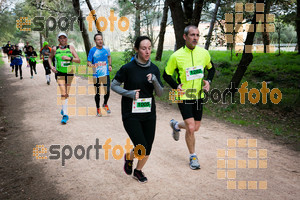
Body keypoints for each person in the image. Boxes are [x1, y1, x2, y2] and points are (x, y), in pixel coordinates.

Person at [111, 36, 164, 183]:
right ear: (136, 49)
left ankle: (138, 170)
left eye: (149, 48)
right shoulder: (128, 68)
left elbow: (160, 93)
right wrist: (130, 93)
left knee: (147, 148)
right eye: (143, 48)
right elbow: (113, 85)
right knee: (141, 146)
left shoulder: (154, 69)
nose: (147, 52)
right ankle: (130, 157)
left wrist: (154, 80)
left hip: (149, 113)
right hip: (131, 113)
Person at [163, 25, 215, 170]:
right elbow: (166, 74)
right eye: (192, 35)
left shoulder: (204, 53)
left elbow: (211, 69)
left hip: (198, 95)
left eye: (197, 35)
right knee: (191, 128)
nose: (195, 38)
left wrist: (208, 81)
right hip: (182, 94)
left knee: (196, 127)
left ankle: (175, 125)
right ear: (185, 37)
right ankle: (193, 156)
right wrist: (175, 86)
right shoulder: (176, 55)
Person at [48, 32, 81, 124]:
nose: (62, 39)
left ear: (66, 39)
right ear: (58, 39)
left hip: (70, 72)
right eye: (60, 38)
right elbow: (49, 58)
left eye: (64, 38)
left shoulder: (71, 48)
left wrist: (69, 58)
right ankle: (65, 115)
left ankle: (64, 108)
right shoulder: (55, 49)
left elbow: (78, 60)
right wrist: (51, 67)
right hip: (60, 73)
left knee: (66, 93)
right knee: (63, 92)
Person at [87, 33, 112, 116]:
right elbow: (88, 62)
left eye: (101, 39)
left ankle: (105, 104)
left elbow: (109, 57)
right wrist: (92, 65)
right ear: (95, 41)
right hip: (96, 75)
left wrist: (110, 65)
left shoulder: (106, 49)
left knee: (107, 91)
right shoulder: (92, 50)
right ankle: (98, 108)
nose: (100, 41)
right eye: (98, 39)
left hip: (106, 74)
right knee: (97, 93)